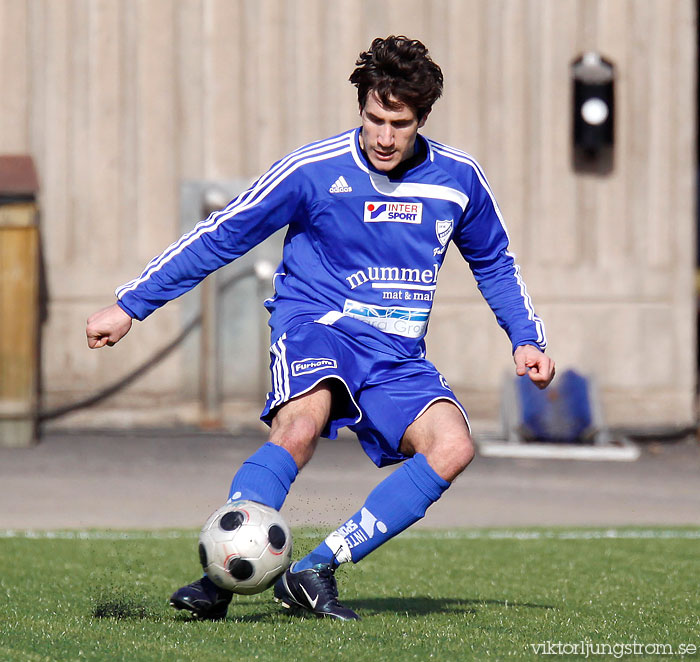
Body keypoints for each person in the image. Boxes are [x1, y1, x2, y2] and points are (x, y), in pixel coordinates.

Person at [86, 35, 555, 622]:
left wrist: (526, 336)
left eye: (399, 123)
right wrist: (131, 305)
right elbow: (223, 233)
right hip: (317, 325)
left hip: (395, 351)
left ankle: (314, 570)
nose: (384, 136)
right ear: (360, 108)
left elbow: (494, 261)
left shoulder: (458, 179)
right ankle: (219, 580)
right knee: (301, 426)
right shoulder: (313, 169)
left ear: (423, 118)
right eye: (374, 118)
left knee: (454, 446)